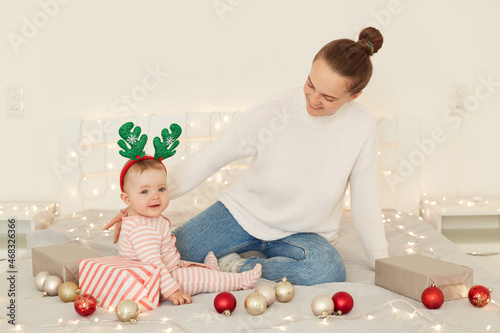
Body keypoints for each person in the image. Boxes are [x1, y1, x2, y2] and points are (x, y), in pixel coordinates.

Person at [105, 27, 389, 286]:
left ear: (354, 96)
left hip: (303, 235)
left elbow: (366, 201)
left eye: (328, 98)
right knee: (170, 252)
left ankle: (238, 266)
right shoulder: (275, 111)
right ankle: (236, 262)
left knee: (328, 271)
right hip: (240, 216)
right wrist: (142, 203)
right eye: (311, 84)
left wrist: (383, 261)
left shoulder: (361, 127)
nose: (314, 100)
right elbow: (210, 158)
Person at [118, 156, 262, 305]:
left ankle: (211, 269)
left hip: (168, 268)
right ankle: (241, 281)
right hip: (150, 283)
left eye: (161, 189)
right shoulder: (141, 229)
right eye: (144, 192)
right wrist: (172, 291)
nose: (155, 196)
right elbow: (154, 265)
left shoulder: (146, 217)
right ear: (127, 199)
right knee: (198, 277)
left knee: (189, 265)